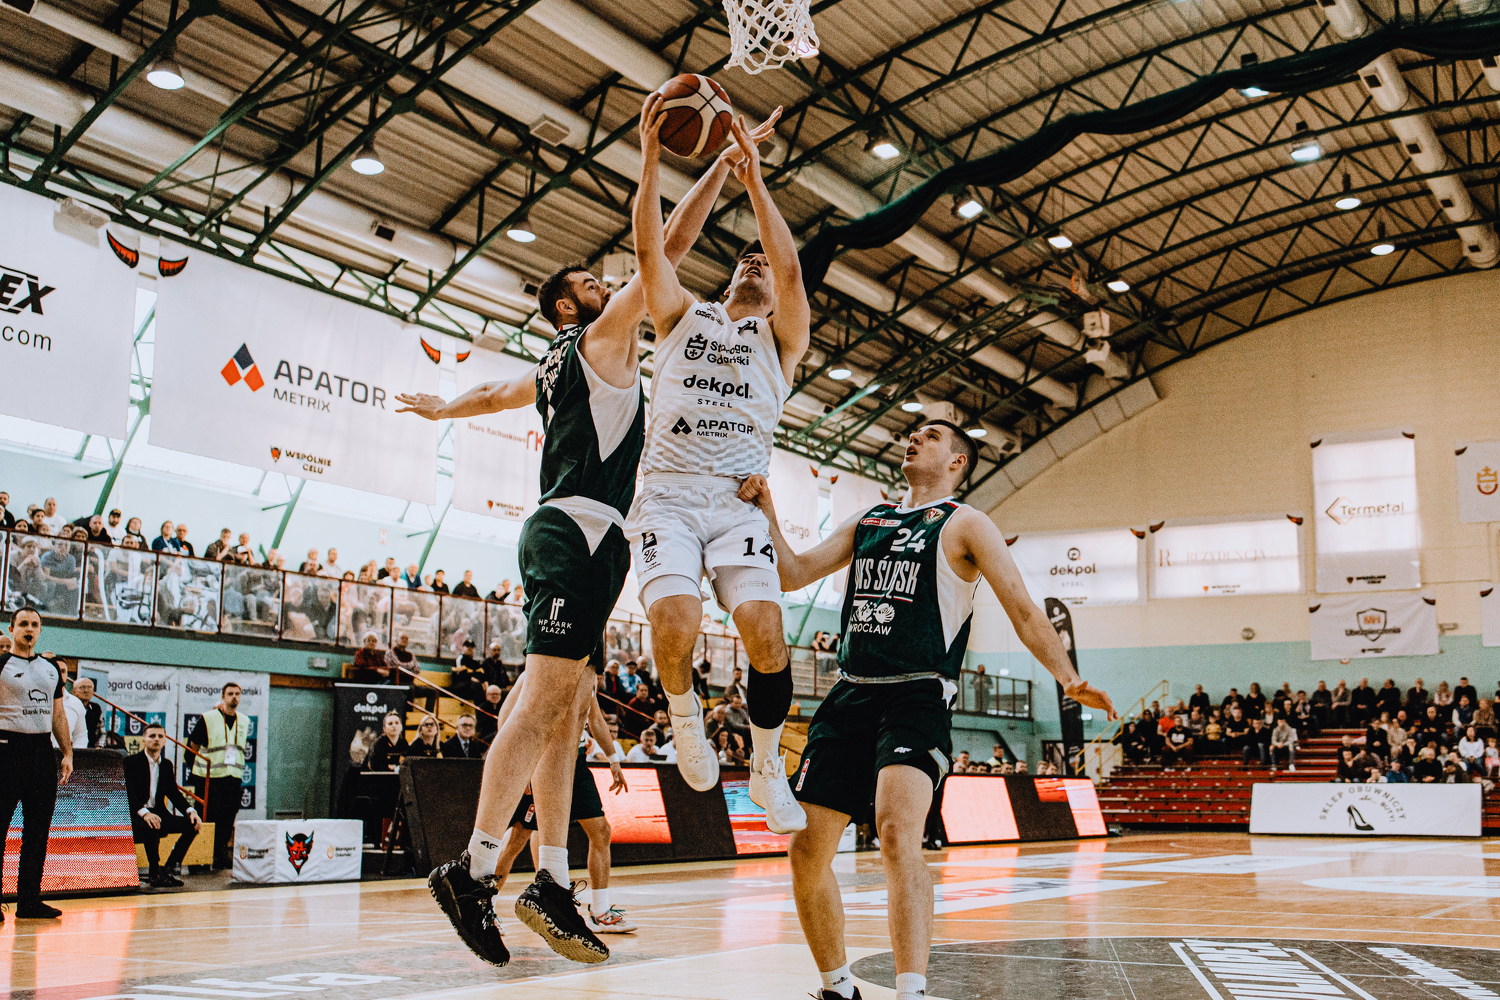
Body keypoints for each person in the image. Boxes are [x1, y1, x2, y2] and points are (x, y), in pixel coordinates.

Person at [402, 109, 774, 970]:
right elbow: (667, 246)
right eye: (592, 280)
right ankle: (474, 869)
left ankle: (553, 881)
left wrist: (443, 406)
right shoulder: (598, 339)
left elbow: (494, 392)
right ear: (571, 306)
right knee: (545, 700)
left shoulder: (554, 364)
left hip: (598, 538)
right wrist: (717, 164)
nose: (613, 281)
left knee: (566, 709)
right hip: (573, 526)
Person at [737, 419, 1115, 1000]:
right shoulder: (870, 519)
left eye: (932, 435)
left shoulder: (966, 523)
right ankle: (837, 988)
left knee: (896, 832)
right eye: (912, 432)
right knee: (806, 849)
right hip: (850, 693)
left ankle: (910, 991)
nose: (914, 437)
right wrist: (766, 512)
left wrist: (1068, 678)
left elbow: (1021, 607)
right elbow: (793, 573)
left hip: (917, 694)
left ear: (958, 461)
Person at [627, 97, 809, 834]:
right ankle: (683, 717)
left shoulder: (782, 340)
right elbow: (652, 253)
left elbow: (790, 268)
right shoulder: (684, 315)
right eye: (746, 259)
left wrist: (754, 178)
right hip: (668, 495)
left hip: (737, 504)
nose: (758, 263)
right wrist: (652, 158)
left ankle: (767, 766)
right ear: (730, 281)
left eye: (763, 261)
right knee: (678, 617)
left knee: (766, 633)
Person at [0, 608, 72, 919]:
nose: (29, 629)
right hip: (7, 749)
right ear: (12, 629)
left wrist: (67, 752)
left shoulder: (50, 668)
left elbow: (58, 713)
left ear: (40, 630)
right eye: (23, 624)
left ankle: (29, 901)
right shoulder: (2, 665)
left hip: (42, 752)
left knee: (38, 831)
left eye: (35, 624)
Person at [124, 722, 201, 887]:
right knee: (152, 824)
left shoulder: (166, 765)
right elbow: (128, 793)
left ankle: (169, 868)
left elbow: (174, 793)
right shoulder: (131, 762)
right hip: (136, 814)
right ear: (144, 739)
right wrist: (145, 813)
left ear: (165, 740)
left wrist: (190, 811)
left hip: (159, 812)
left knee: (192, 825)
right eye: (152, 736)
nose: (156, 739)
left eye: (160, 736)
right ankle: (155, 873)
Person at [186, 681, 248, 871]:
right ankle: (199, 859)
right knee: (206, 818)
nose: (234, 697)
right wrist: (198, 773)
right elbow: (192, 748)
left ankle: (220, 856)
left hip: (233, 778)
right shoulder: (208, 718)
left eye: (237, 694)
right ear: (223, 697)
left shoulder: (244, 720)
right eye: (230, 694)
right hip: (209, 778)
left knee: (227, 820)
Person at [71, 676, 103, 749]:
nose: (86, 690)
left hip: (91, 749)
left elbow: (101, 731)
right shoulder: (68, 706)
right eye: (82, 687)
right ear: (74, 691)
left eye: (89, 688)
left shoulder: (96, 708)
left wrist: (99, 747)